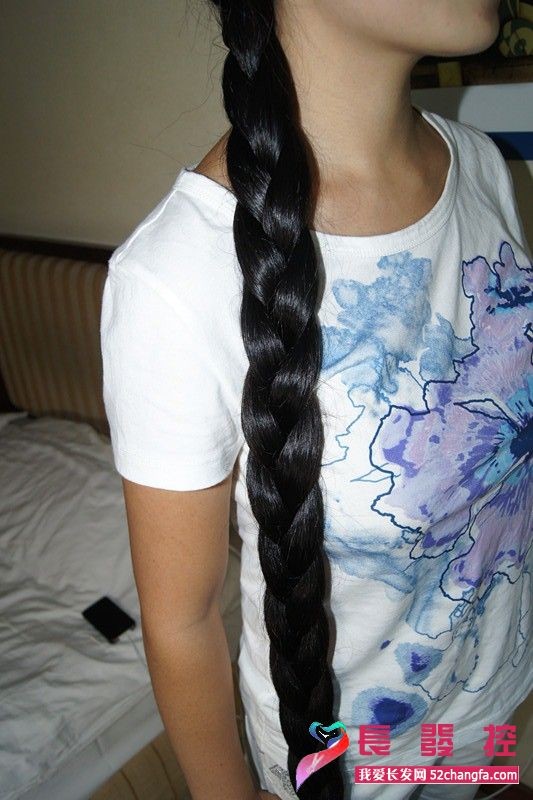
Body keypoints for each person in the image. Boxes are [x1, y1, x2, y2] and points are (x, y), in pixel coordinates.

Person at [99, 1, 532, 798]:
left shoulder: (482, 166)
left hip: (490, 708)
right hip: (346, 769)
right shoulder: (177, 275)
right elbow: (182, 620)